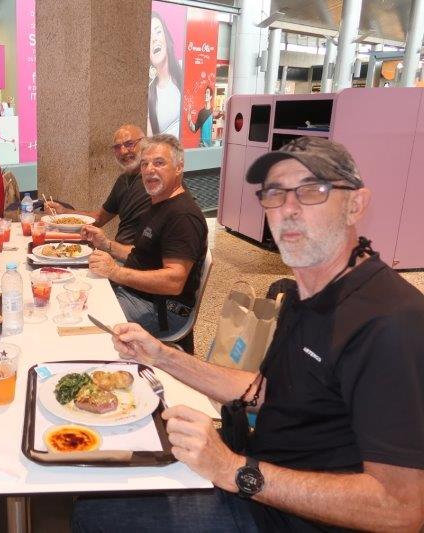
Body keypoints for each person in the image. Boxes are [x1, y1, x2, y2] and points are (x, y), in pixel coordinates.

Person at [72, 137, 424, 532]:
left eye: (311, 191)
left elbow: (401, 508)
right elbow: (266, 391)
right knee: (104, 466)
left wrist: (234, 470)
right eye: (275, 193)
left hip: (285, 515)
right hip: (256, 468)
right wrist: (160, 355)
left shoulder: (390, 322)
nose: (288, 210)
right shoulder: (306, 292)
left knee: (95, 511)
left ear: (355, 204)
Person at [81, 135, 207, 353]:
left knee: (84, 325)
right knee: (75, 300)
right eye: (145, 164)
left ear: (179, 167)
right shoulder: (158, 204)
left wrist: (115, 272)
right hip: (136, 294)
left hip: (162, 310)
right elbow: (143, 254)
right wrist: (106, 244)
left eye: (159, 163)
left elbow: (174, 281)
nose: (149, 170)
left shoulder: (183, 216)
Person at [44, 124, 151, 244]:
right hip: (120, 249)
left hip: (138, 253)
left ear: (145, 144)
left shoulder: (152, 181)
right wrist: (63, 211)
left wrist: (108, 246)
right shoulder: (123, 180)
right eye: (117, 147)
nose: (123, 151)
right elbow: (100, 218)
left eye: (129, 144)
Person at [147, 10, 183, 137]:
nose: (154, 40)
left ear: (166, 37)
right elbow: (149, 142)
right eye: (149, 37)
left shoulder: (183, 69)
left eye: (158, 32)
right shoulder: (148, 93)